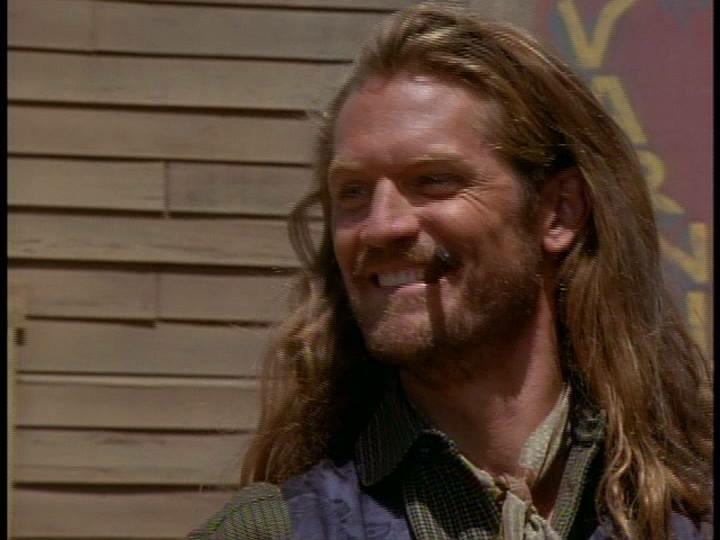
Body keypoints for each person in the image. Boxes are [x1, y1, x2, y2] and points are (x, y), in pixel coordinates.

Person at [188, 3, 712, 539]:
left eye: (434, 180)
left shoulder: (691, 514)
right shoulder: (276, 530)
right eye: (353, 192)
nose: (381, 226)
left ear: (559, 212)